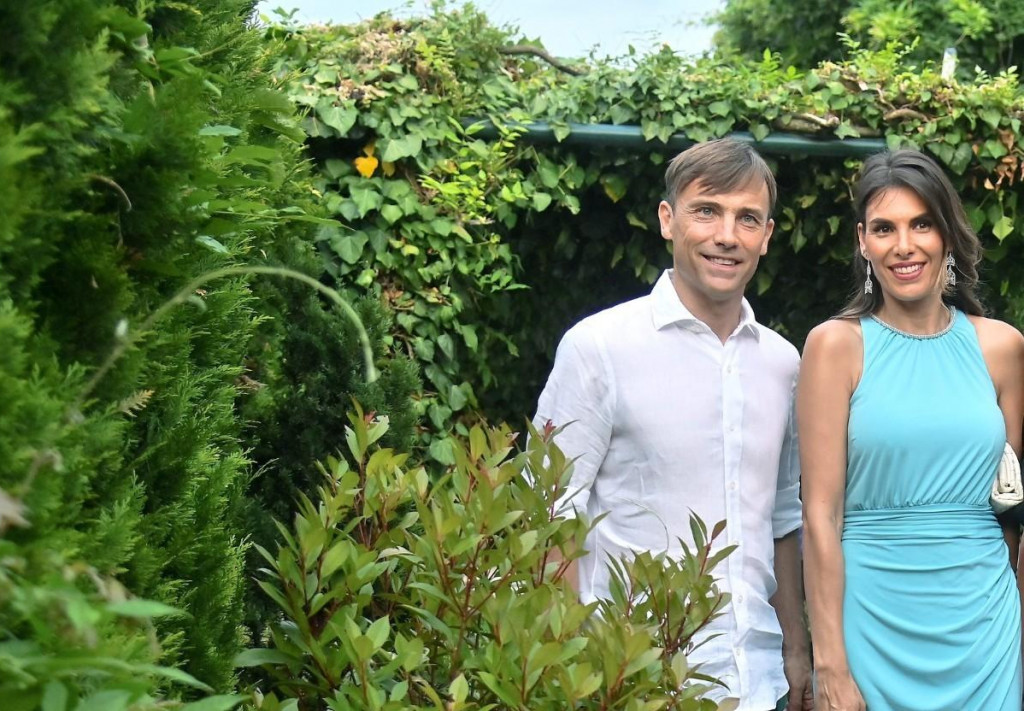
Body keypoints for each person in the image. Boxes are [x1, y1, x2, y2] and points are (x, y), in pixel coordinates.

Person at [533, 137, 813, 711]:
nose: (727, 235)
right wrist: (572, 666)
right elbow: (548, 509)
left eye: (747, 218)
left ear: (766, 235)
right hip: (634, 679)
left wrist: (795, 651)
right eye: (706, 211)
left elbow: (785, 519)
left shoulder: (784, 363)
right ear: (667, 219)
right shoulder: (599, 347)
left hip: (759, 683)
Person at [799, 149, 1024, 710]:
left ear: (947, 234)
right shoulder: (834, 346)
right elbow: (820, 516)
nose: (904, 245)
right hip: (870, 624)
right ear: (862, 241)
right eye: (884, 228)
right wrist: (829, 664)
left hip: (986, 629)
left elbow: (1015, 514)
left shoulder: (1002, 348)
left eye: (922, 224)